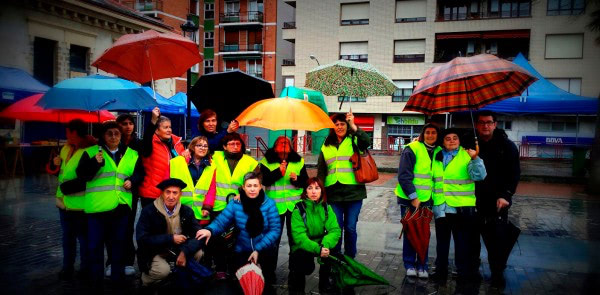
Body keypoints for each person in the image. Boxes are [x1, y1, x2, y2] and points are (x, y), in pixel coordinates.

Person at [76, 120, 144, 289]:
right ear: (103, 136)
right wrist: (94, 163)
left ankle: (117, 280)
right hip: (97, 209)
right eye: (109, 134)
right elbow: (82, 175)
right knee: (95, 247)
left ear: (121, 136)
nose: (113, 137)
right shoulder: (91, 153)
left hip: (120, 208)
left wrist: (132, 180)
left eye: (117, 134)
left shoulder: (131, 154)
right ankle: (96, 282)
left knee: (118, 246)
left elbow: (140, 173)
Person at [196, 172, 281, 291]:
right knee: (242, 285)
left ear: (261, 187)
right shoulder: (236, 204)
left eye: (255, 186)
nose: (252, 189)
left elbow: (275, 230)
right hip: (242, 249)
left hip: (264, 249)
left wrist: (258, 249)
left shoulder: (269, 204)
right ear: (243, 187)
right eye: (249, 186)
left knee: (264, 285)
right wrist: (209, 230)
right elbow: (221, 221)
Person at [197, 132, 259, 279]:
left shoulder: (250, 161)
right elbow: (200, 147)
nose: (235, 146)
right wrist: (187, 150)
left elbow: (256, 181)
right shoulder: (216, 156)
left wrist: (243, 193)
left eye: (238, 144)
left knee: (236, 239)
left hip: (240, 208)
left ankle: (234, 268)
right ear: (224, 146)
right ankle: (220, 269)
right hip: (218, 207)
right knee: (218, 239)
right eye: (231, 144)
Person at [430, 128, 486, 285]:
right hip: (441, 206)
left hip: (461, 208)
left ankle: (461, 271)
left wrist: (476, 159)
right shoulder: (437, 155)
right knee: (441, 243)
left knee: (461, 242)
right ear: (443, 142)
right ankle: (440, 271)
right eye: (448, 138)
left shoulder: (467, 155)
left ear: (460, 141)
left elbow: (479, 176)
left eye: (455, 138)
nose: (452, 140)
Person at [474, 110, 520, 288]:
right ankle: (473, 270)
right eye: (481, 122)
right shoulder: (472, 143)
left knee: (496, 241)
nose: (485, 126)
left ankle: (497, 273)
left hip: (498, 202)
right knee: (472, 241)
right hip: (473, 201)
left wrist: (506, 195)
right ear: (477, 125)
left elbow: (514, 173)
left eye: (489, 122)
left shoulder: (507, 146)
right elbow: (448, 144)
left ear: (495, 124)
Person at [316, 111, 370, 259]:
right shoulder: (326, 146)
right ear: (332, 127)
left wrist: (354, 125)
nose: (339, 127)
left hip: (354, 193)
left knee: (351, 228)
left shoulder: (354, 140)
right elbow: (321, 171)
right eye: (336, 124)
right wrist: (318, 192)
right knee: (336, 229)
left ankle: (350, 259)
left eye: (342, 124)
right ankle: (336, 259)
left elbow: (367, 141)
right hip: (333, 194)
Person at [136, 178, 205, 288]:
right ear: (162, 193)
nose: (171, 197)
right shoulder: (149, 211)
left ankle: (179, 276)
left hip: (178, 250)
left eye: (175, 193)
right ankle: (146, 280)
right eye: (168, 192)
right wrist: (170, 238)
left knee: (199, 253)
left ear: (180, 194)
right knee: (163, 271)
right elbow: (142, 239)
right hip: (155, 251)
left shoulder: (186, 211)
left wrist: (184, 252)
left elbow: (199, 235)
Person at [395, 123, 442, 279]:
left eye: (433, 132)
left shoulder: (439, 151)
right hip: (410, 199)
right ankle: (409, 264)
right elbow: (403, 175)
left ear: (437, 135)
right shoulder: (412, 149)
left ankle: (422, 265)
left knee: (424, 234)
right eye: (427, 132)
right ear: (423, 134)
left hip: (427, 199)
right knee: (410, 233)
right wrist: (413, 197)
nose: (430, 135)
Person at [259, 136, 308, 277]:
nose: (284, 144)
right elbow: (265, 181)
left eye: (287, 142)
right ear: (275, 147)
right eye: (281, 142)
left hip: (294, 206)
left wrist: (297, 179)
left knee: (295, 238)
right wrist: (278, 172)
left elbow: (305, 182)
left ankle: (296, 268)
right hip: (274, 207)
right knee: (273, 239)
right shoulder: (266, 162)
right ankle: (269, 269)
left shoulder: (299, 161)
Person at [53, 119, 96, 280]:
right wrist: (53, 164)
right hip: (63, 203)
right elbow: (61, 173)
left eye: (68, 132)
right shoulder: (66, 148)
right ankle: (67, 267)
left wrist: (67, 188)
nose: (66, 135)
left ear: (74, 132)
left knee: (84, 239)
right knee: (67, 238)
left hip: (80, 204)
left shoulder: (90, 151)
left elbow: (87, 178)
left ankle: (85, 268)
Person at [288, 177, 341, 294]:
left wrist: (324, 245)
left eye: (317, 188)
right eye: (310, 188)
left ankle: (326, 287)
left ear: (321, 191)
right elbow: (299, 236)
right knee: (297, 260)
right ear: (305, 191)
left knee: (332, 255)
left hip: (322, 243)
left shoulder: (327, 207)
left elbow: (335, 230)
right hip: (304, 245)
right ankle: (297, 290)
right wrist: (318, 249)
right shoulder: (298, 209)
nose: (313, 192)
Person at [139, 107, 189, 208]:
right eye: (165, 127)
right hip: (152, 194)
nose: (169, 130)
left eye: (170, 127)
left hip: (171, 194)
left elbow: (183, 167)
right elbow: (147, 138)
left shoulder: (177, 143)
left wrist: (186, 156)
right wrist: (153, 120)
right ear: (156, 131)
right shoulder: (150, 142)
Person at [116, 113, 142, 276]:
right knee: (112, 231)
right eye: (124, 123)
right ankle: (112, 261)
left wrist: (133, 180)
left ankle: (128, 261)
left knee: (127, 229)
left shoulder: (136, 146)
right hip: (109, 196)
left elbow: (141, 170)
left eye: (130, 123)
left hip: (129, 194)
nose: (128, 126)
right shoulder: (106, 146)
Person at [169, 136, 214, 225]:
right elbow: (166, 184)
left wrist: (207, 207)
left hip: (200, 213)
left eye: (205, 146)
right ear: (193, 147)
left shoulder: (212, 166)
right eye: (199, 145)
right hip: (178, 210)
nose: (202, 148)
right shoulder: (177, 162)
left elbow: (212, 189)